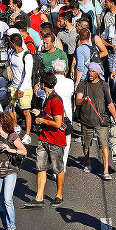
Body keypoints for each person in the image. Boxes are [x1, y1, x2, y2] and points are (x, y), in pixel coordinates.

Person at [25, 72, 66, 207]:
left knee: (57, 168)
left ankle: (59, 194)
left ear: (43, 84)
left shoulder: (56, 100)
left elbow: (58, 123)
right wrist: (41, 113)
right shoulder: (47, 98)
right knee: (40, 167)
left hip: (56, 140)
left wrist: (41, 119)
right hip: (44, 138)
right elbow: (50, 116)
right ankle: (39, 197)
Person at [75, 62, 116, 179]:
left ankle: (105, 171)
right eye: (89, 71)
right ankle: (88, 163)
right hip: (86, 119)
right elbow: (77, 101)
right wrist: (83, 100)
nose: (90, 73)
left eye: (93, 71)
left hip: (101, 120)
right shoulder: (83, 84)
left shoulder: (104, 85)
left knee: (104, 145)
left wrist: (115, 116)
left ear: (98, 73)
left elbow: (109, 103)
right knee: (86, 145)